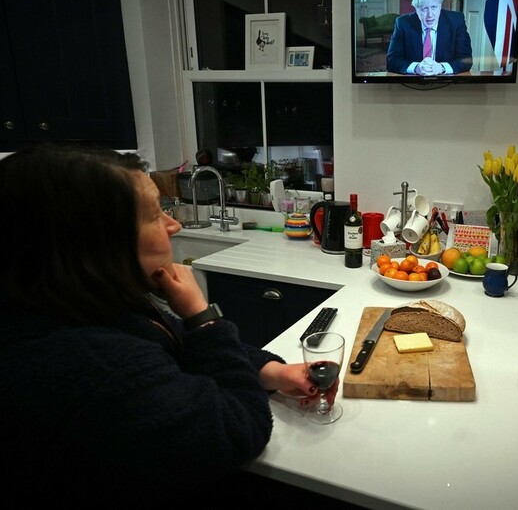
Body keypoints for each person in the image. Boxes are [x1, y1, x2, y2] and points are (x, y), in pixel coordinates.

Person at [0, 145, 334, 506]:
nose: (173, 224)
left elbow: (180, 342)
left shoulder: (78, 304)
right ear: (94, 243)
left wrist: (271, 372)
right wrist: (202, 316)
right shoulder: (95, 364)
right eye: (154, 214)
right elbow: (237, 429)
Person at [386, 0, 473, 76]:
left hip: (446, 81)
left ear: (440, 6)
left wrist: (442, 67)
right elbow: (392, 61)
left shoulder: (456, 21)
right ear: (416, 9)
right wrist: (416, 68)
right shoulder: (403, 23)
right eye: (424, 9)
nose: (430, 15)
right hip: (414, 81)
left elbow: (467, 60)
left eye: (434, 7)